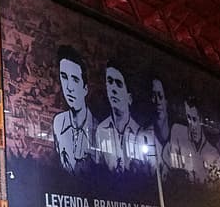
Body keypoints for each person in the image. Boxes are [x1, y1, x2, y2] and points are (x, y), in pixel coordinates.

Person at [95, 62, 155, 174]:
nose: (113, 89)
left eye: (118, 84)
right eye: (109, 81)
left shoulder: (141, 135)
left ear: (129, 97)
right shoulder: (101, 130)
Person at [51, 44, 97, 173]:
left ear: (85, 88)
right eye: (64, 77)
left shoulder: (98, 129)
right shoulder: (58, 122)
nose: (69, 87)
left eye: (75, 80)